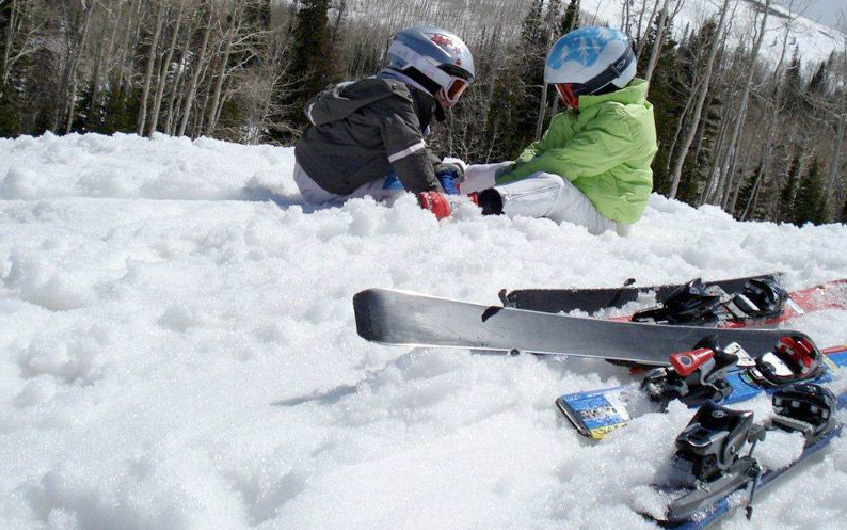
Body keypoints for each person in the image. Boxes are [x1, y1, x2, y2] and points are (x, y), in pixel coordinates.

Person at [437, 26, 658, 235]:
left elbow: (564, 163)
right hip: (579, 195)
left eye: (569, 93)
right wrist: (513, 171)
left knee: (554, 186)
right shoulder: (578, 115)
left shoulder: (627, 123)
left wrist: (510, 181)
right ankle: (442, 189)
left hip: (604, 218)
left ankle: (468, 207)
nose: (565, 102)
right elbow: (540, 151)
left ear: (600, 84)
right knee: (503, 170)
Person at [293, 26, 475, 207]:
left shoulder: (384, 91)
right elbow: (411, 160)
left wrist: (437, 167)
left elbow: (410, 146)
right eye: (454, 89)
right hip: (329, 184)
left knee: (412, 173)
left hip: (318, 169)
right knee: (402, 190)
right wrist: (445, 203)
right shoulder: (396, 101)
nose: (451, 101)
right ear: (427, 71)